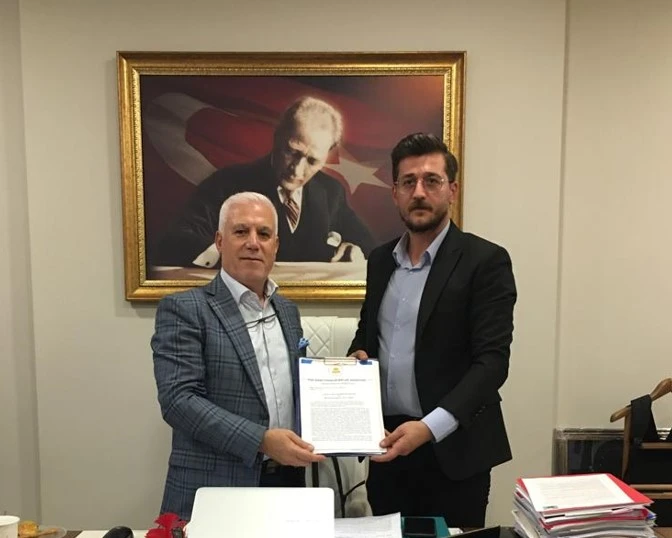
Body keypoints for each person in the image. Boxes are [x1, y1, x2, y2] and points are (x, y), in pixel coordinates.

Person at [348, 133, 517, 527]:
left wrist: (429, 427)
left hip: (454, 453)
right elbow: (367, 333)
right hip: (389, 448)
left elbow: (492, 363)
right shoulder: (380, 261)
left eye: (431, 180)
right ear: (394, 192)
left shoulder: (485, 261)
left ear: (452, 190)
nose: (419, 192)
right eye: (408, 182)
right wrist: (356, 358)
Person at [151, 191, 325, 520]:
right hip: (216, 488)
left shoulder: (288, 311)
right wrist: (261, 440)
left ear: (276, 245)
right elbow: (179, 400)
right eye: (241, 231)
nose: (253, 243)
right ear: (220, 241)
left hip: (287, 482)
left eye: (264, 233)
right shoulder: (184, 309)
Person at [153, 96, 376, 267]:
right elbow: (176, 240)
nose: (297, 169)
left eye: (312, 160)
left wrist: (356, 252)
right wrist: (230, 257)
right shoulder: (226, 184)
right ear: (277, 137)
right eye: (292, 152)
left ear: (327, 156)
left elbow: (371, 248)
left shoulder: (330, 191)